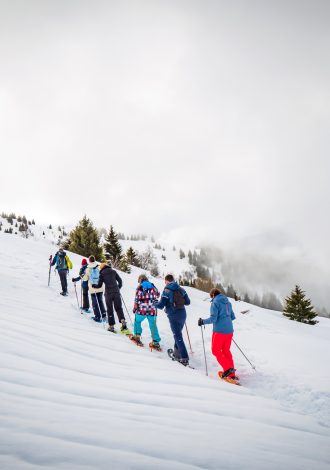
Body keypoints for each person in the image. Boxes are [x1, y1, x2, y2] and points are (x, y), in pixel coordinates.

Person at [198, 288, 238, 381]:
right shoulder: (228, 302)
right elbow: (232, 317)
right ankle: (231, 374)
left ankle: (228, 369)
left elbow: (213, 319)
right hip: (229, 330)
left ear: (212, 295)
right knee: (226, 350)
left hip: (219, 331)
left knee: (215, 350)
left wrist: (202, 321)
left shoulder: (215, 303)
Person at [155, 274, 190, 365]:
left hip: (173, 315)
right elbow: (188, 302)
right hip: (182, 314)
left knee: (177, 336)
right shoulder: (181, 289)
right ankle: (177, 353)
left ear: (166, 281)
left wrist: (155, 303)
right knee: (178, 334)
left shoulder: (166, 290)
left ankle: (184, 357)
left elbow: (161, 305)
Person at [92, 261, 127, 332]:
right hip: (116, 292)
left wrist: (94, 286)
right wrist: (118, 288)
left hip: (108, 293)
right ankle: (122, 320)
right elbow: (120, 281)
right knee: (118, 308)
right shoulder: (113, 271)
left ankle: (111, 326)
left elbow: (99, 285)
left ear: (101, 268)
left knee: (109, 309)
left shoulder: (102, 273)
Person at [131, 274, 161, 349]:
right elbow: (158, 294)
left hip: (142, 310)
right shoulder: (153, 286)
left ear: (140, 280)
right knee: (152, 324)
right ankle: (156, 341)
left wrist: (135, 307)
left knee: (137, 321)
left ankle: (137, 336)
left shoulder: (140, 287)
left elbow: (137, 299)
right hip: (152, 309)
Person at [84, 255, 106, 322]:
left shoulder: (88, 269)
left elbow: (85, 279)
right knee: (100, 301)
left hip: (93, 288)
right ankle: (104, 315)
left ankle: (97, 316)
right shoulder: (99, 267)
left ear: (89, 260)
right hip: (100, 287)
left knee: (95, 303)